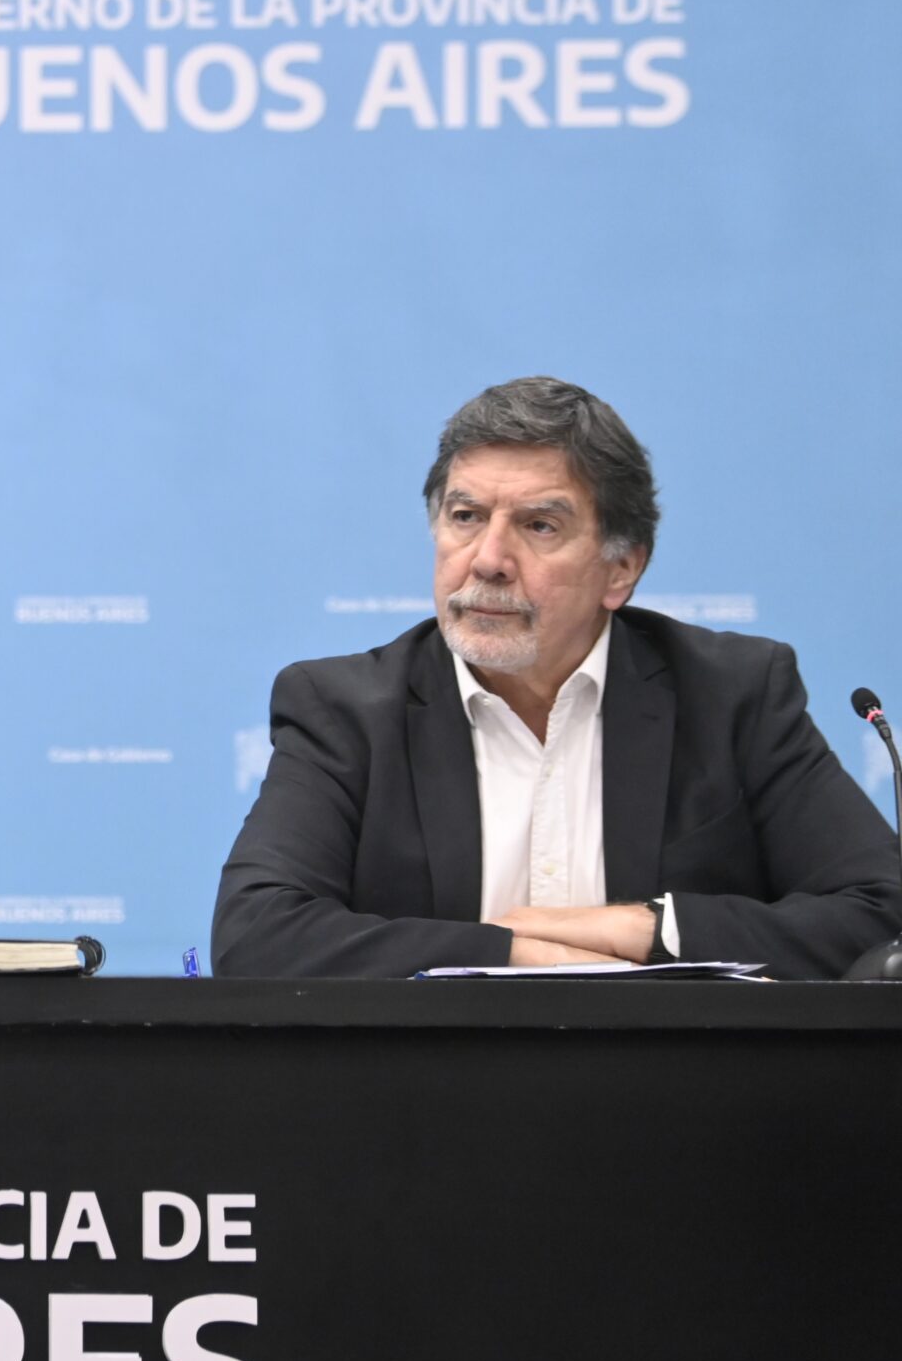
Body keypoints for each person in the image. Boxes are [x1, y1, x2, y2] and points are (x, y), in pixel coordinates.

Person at [214, 377, 900, 979]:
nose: (488, 560)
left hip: (674, 1083)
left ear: (621, 569)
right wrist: (515, 952)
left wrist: (647, 930)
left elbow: (883, 909)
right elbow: (257, 934)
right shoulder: (344, 710)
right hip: (428, 1084)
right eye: (465, 517)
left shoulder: (732, 694)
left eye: (539, 525)